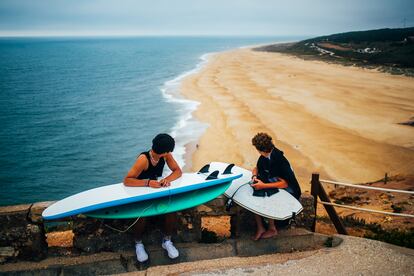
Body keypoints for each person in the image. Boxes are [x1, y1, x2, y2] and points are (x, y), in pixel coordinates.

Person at [124, 133, 182, 262]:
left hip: (155, 190)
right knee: (142, 215)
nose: (169, 153)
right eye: (168, 151)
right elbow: (127, 180)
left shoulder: (165, 156)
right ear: (164, 152)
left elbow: (177, 171)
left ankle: (167, 241)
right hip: (140, 192)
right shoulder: (143, 159)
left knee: (171, 211)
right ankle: (138, 243)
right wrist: (148, 183)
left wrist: (166, 180)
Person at [250, 132, 301, 240]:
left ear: (260, 149)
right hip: (274, 184)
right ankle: (260, 228)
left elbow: (285, 183)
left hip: (290, 191)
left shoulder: (280, 159)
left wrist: (263, 185)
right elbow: (256, 168)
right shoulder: (264, 157)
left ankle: (272, 229)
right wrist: (254, 176)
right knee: (253, 196)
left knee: (269, 197)